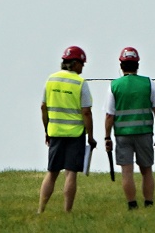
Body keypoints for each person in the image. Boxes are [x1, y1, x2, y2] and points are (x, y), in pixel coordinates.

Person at [104, 47, 155, 210]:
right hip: (144, 133)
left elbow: (109, 115)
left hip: (122, 135)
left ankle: (132, 204)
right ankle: (149, 203)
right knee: (146, 170)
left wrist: (107, 137)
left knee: (127, 171)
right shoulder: (148, 83)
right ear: (137, 65)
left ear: (121, 65)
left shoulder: (114, 86)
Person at [38, 46, 97, 214]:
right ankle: (67, 211)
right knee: (71, 173)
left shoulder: (51, 80)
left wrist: (47, 130)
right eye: (82, 64)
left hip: (55, 132)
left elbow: (43, 107)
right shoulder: (80, 83)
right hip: (75, 134)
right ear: (75, 63)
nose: (83, 67)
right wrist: (90, 136)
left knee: (52, 172)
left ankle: (41, 209)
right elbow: (86, 112)